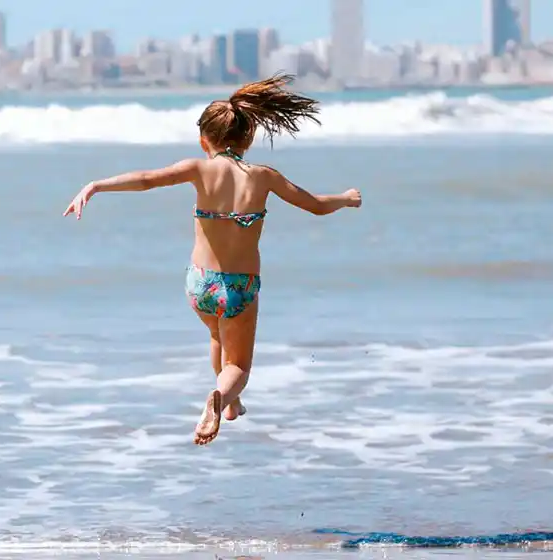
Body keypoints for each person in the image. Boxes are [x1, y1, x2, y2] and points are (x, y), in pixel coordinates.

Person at [63, 73, 362, 446]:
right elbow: (315, 206)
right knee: (238, 366)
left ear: (204, 140)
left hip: (200, 284)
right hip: (239, 288)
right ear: (248, 140)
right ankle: (220, 401)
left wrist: (96, 185)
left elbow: (146, 179)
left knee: (216, 333)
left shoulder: (199, 169)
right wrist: (346, 198)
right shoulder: (264, 177)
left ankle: (230, 403)